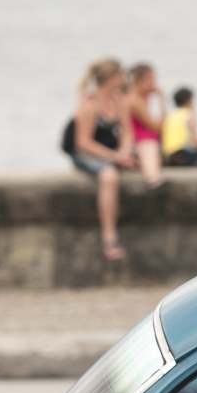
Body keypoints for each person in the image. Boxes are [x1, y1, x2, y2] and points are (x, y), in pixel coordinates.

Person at [72, 58, 136, 261]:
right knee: (109, 176)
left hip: (112, 152)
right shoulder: (90, 104)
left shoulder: (120, 101)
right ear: (111, 78)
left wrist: (125, 152)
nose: (124, 79)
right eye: (120, 76)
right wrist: (115, 157)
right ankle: (109, 237)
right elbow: (83, 142)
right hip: (88, 154)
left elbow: (127, 132)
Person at [126, 62, 166, 189]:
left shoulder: (144, 98)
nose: (154, 83)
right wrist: (162, 99)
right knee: (150, 147)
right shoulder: (135, 100)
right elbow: (157, 127)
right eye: (151, 79)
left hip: (146, 139)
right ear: (140, 80)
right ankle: (153, 179)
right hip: (142, 141)